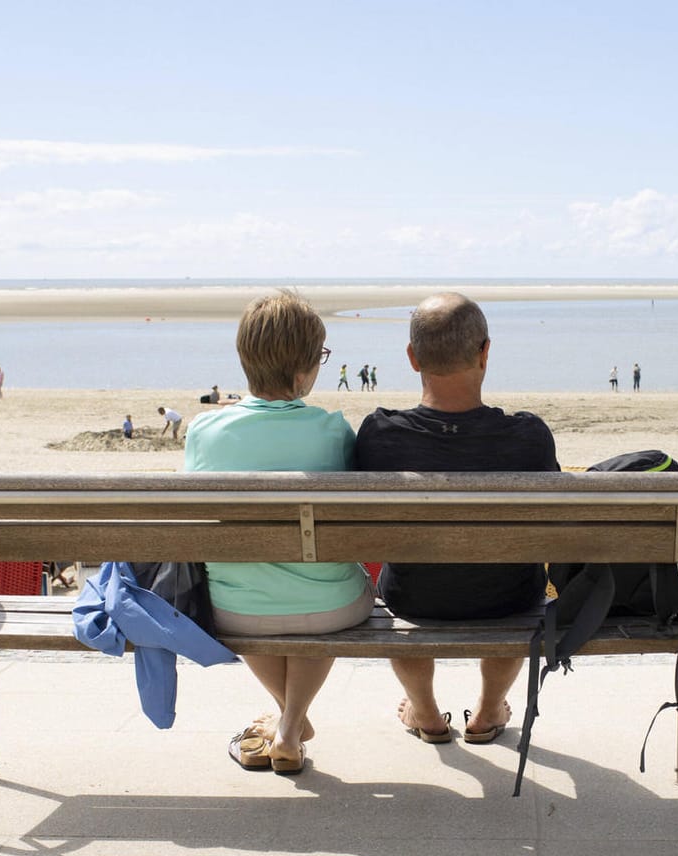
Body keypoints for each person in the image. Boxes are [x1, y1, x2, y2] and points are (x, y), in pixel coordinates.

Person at [356, 292, 559, 744]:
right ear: (485, 351)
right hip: (509, 599)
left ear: (412, 358)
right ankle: (488, 712)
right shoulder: (528, 437)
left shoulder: (380, 435)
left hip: (413, 599)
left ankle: (425, 714)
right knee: (517, 577)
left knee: (404, 579)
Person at [184, 291, 371, 774]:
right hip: (334, 608)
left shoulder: (204, 431)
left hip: (237, 612)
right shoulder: (332, 430)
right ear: (305, 372)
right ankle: (290, 726)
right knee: (312, 593)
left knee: (264, 596)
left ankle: (291, 721)